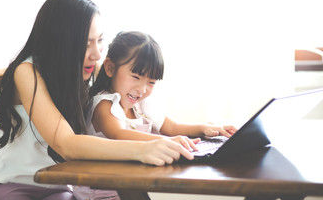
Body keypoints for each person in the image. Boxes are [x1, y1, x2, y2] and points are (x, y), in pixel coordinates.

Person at [0, 0, 195, 200]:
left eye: (100, 41)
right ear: (61, 44)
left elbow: (128, 89)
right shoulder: (27, 72)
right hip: (4, 185)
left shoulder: (88, 70)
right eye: (86, 44)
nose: (97, 54)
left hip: (55, 186)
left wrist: (180, 136)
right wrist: (145, 149)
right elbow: (66, 143)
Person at [87, 31, 237, 150]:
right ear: (110, 68)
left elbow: (172, 127)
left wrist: (204, 128)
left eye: (151, 82)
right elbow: (119, 135)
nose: (142, 89)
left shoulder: (141, 105)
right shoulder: (104, 104)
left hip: (129, 180)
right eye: (135, 77)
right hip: (101, 186)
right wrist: (169, 141)